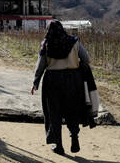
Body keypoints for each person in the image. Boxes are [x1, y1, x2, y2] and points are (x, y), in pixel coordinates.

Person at [31, 20, 91, 155]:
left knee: (54, 113)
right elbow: (86, 58)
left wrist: (36, 82)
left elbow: (40, 65)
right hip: (73, 79)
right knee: (72, 109)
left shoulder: (46, 44)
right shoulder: (74, 41)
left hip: (53, 80)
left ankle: (58, 145)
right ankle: (74, 137)